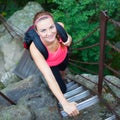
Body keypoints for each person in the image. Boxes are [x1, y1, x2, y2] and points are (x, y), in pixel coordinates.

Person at [27, 11, 79, 116]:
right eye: (43, 30)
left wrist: (69, 38)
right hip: (51, 65)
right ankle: (62, 82)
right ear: (37, 32)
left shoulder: (60, 26)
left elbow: (67, 36)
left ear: (54, 24)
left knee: (63, 68)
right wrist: (65, 104)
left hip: (63, 56)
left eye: (51, 27)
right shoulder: (35, 48)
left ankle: (63, 76)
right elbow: (49, 76)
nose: (49, 33)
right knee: (63, 88)